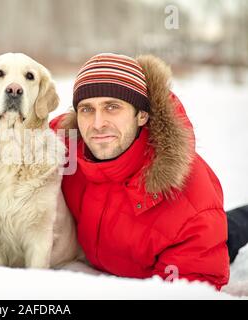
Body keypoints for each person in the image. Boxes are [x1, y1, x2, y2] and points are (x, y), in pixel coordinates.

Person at [50, 53, 248, 290]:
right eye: (86, 109)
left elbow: (183, 294)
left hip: (204, 237)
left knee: (230, 230)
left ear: (142, 115)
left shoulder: (192, 207)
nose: (97, 123)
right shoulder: (60, 147)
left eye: (112, 107)